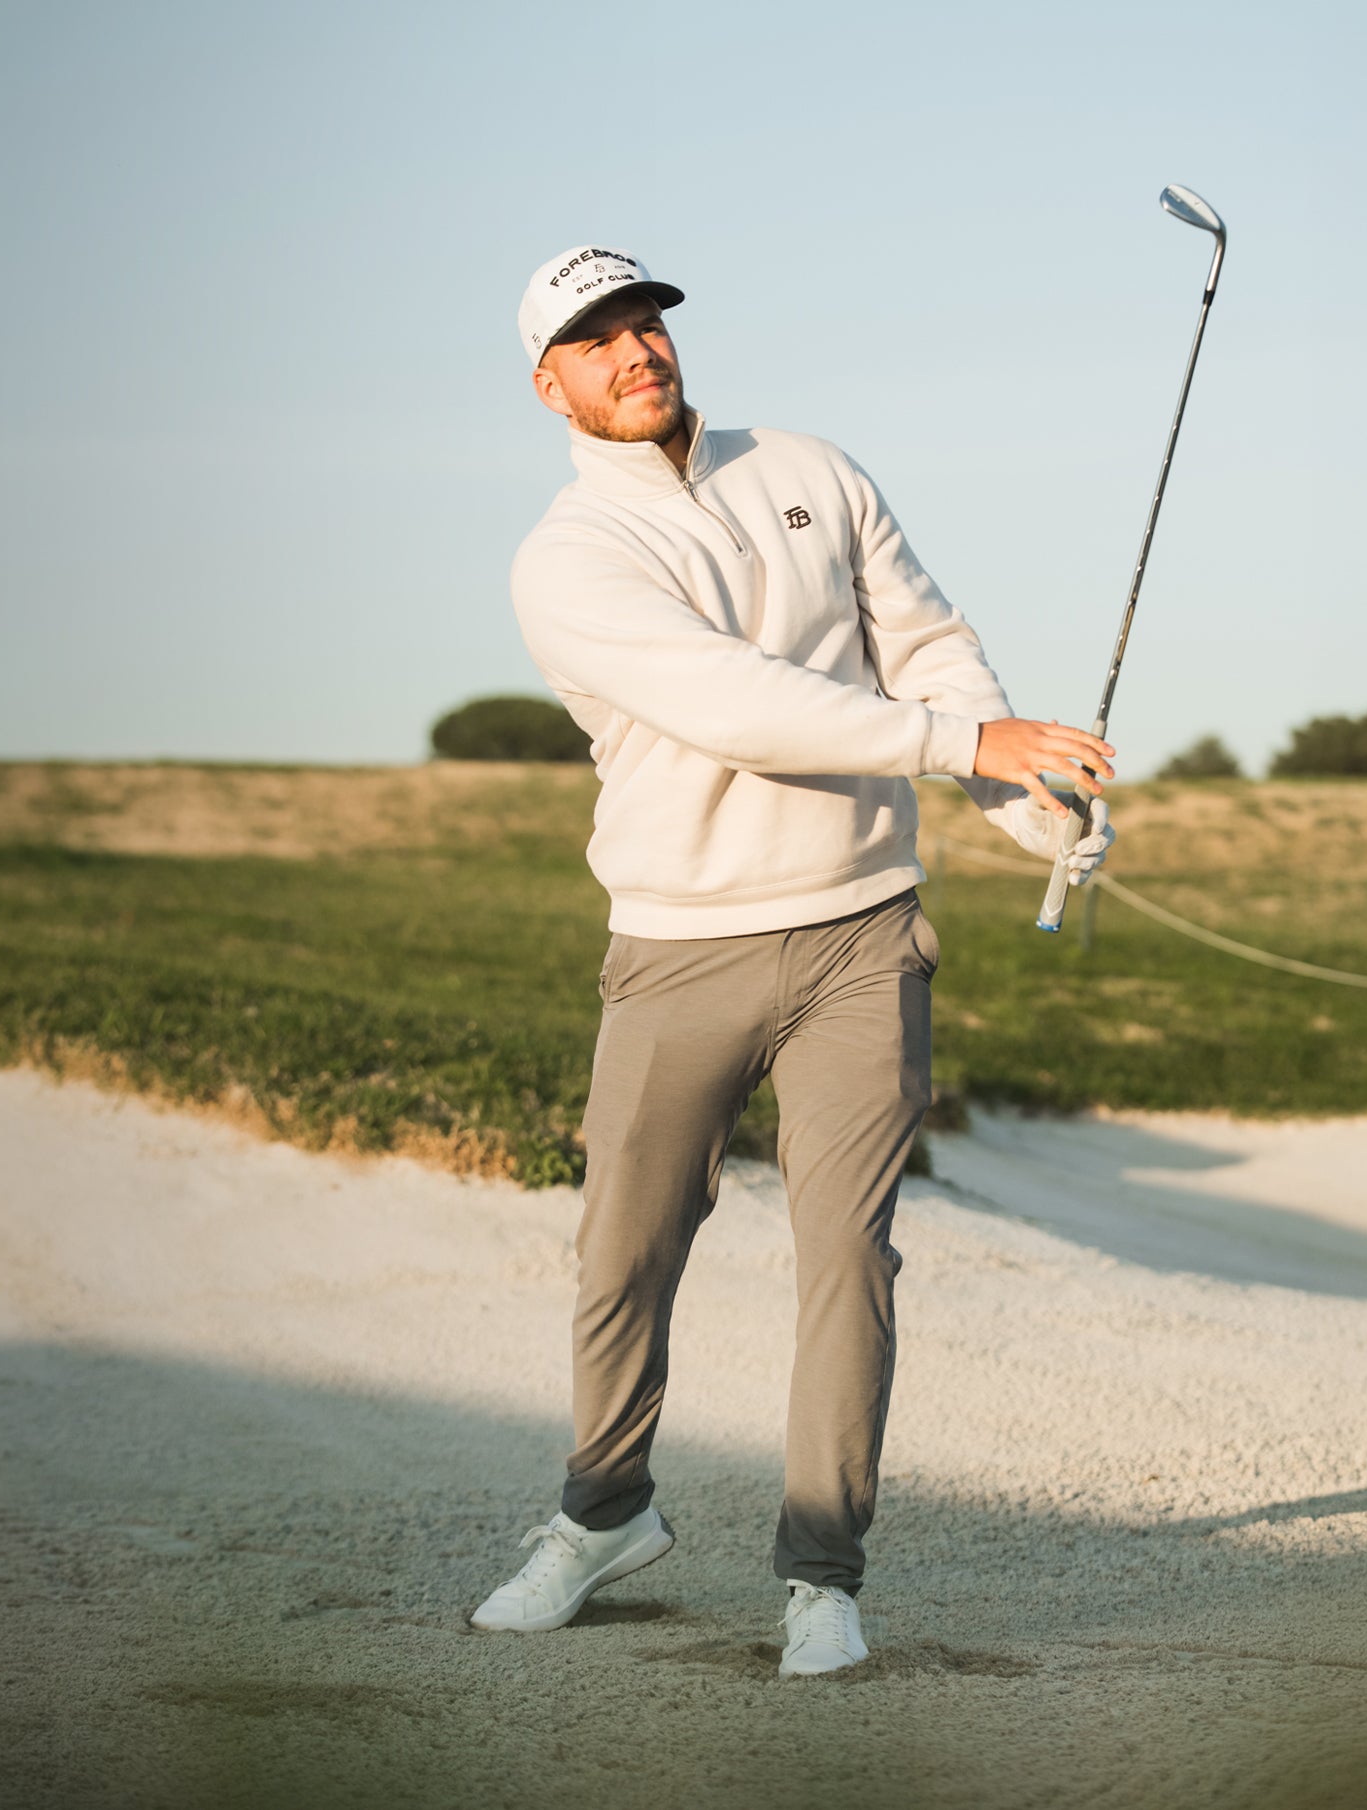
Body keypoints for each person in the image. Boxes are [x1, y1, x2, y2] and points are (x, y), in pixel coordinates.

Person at [465, 246, 1116, 1678]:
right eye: (595, 339)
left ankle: (822, 1573)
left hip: (861, 934)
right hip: (676, 946)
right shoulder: (568, 558)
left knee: (849, 1259)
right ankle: (602, 1515)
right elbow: (742, 706)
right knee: (625, 1252)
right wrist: (963, 744)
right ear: (550, 386)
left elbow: (930, 650)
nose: (635, 350)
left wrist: (1027, 807)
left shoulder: (812, 468)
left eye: (645, 322)